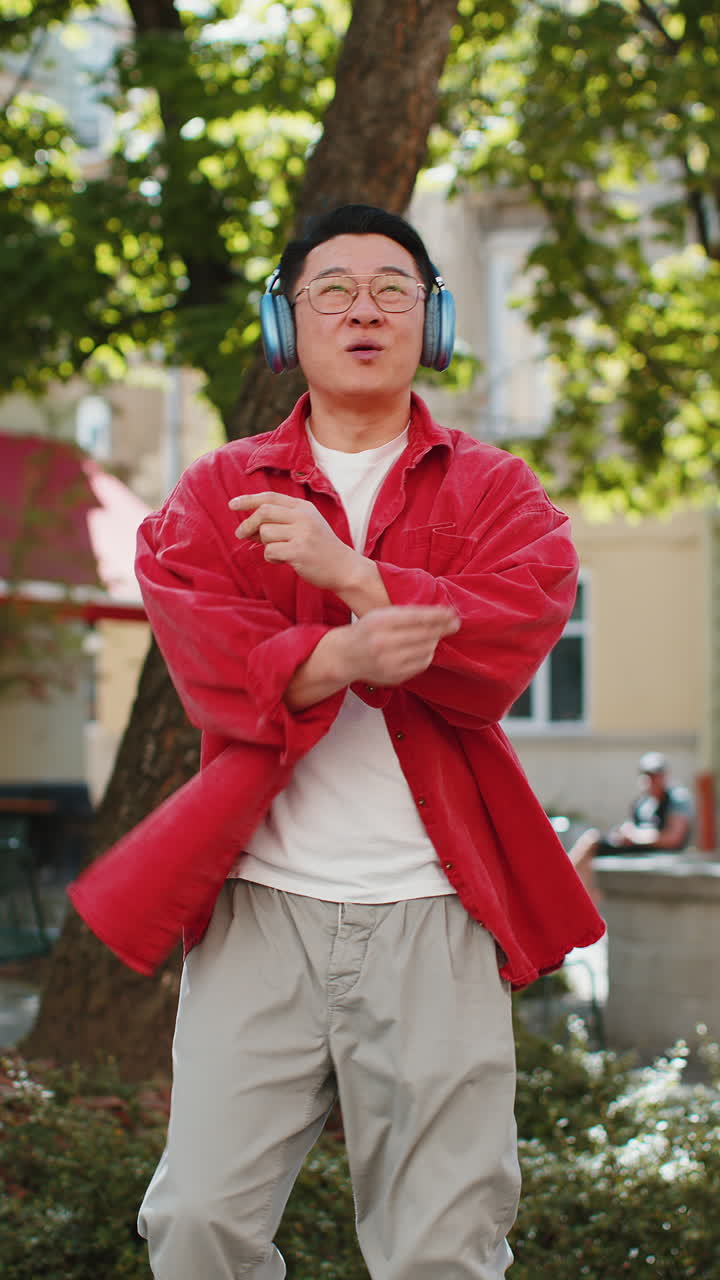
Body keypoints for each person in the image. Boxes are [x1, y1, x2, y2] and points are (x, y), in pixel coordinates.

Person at [126, 203, 603, 1279]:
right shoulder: (217, 490)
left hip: (436, 907)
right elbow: (210, 664)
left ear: (432, 322)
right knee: (197, 1221)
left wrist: (351, 575)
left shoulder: (497, 492)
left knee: (444, 1246)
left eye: (393, 288)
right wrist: (347, 655)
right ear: (282, 321)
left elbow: (508, 633)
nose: (363, 309)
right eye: (331, 289)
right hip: (262, 904)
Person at [568, 752, 693, 900]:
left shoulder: (677, 798)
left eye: (655, 776)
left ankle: (564, 880)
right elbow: (633, 825)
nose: (651, 781)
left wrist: (635, 836)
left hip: (656, 849)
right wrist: (625, 833)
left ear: (664, 776)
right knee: (591, 840)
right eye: (647, 776)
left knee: (592, 840)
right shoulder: (644, 801)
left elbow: (673, 838)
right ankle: (577, 889)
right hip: (637, 844)